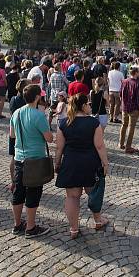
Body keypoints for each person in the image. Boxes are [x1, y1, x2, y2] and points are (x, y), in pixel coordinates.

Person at [55, 93, 111, 239]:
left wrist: (57, 163)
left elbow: (59, 148)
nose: (90, 106)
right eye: (89, 103)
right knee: (94, 194)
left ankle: (73, 229)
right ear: (84, 105)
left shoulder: (63, 123)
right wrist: (105, 163)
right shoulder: (94, 123)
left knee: (72, 197)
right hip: (90, 163)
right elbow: (99, 146)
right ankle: (98, 220)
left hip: (71, 163)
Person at [9, 84, 53, 238]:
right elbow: (49, 138)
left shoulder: (16, 113)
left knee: (19, 192)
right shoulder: (38, 115)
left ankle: (17, 224)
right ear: (36, 98)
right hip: (35, 159)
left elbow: (12, 135)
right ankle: (31, 227)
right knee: (33, 193)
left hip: (19, 158)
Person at [119, 66, 139, 154]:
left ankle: (121, 143)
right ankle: (128, 146)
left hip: (125, 107)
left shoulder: (124, 81)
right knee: (131, 128)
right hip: (133, 109)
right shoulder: (137, 84)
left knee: (124, 125)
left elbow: (120, 94)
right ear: (135, 73)